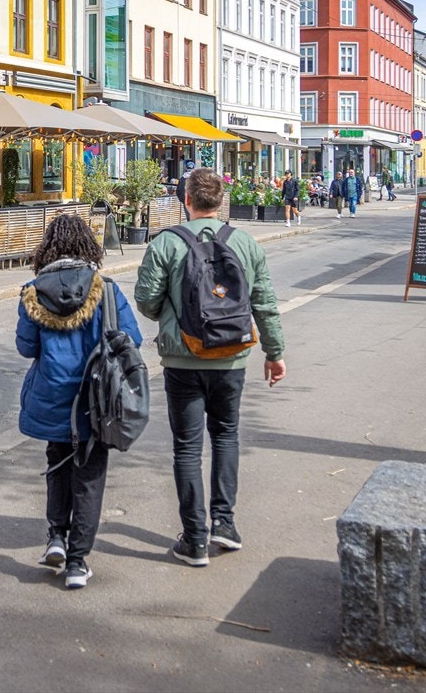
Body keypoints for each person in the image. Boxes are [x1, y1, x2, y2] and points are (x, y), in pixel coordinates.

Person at [134, 168, 286, 567]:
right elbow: (265, 303)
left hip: (182, 357)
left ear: (187, 200)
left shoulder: (166, 243)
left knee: (186, 447)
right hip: (232, 357)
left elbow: (146, 300)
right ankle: (224, 524)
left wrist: (173, 314)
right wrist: (274, 353)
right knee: (226, 436)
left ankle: (195, 539)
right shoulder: (246, 244)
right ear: (221, 201)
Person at [16, 213, 142, 590]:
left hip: (53, 395)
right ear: (89, 245)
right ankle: (77, 561)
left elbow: (25, 348)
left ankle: (56, 536)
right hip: (96, 399)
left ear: (48, 247)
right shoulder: (106, 289)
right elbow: (129, 338)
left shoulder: (33, 290)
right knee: (88, 475)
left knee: (57, 462)